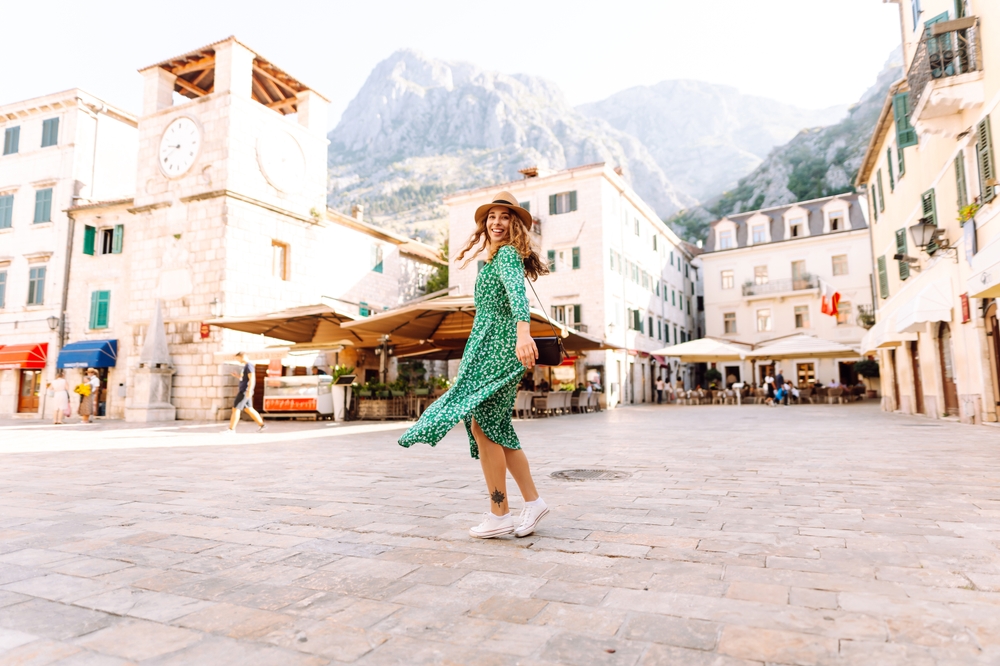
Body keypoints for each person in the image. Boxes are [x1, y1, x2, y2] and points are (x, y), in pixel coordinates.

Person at [398, 191, 550, 539]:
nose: (497, 222)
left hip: (497, 351)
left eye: (505, 216)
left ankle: (501, 513)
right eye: (492, 216)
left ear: (515, 224)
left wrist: (523, 335)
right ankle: (530, 504)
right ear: (485, 223)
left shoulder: (509, 255)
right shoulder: (495, 260)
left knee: (485, 427)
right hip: (486, 349)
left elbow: (517, 297)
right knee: (493, 429)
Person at [226, 352, 265, 433]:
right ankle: (262, 425)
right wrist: (237, 376)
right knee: (249, 409)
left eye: (238, 358)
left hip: (244, 391)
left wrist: (249, 390)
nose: (238, 360)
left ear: (242, 357)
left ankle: (231, 429)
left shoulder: (249, 365)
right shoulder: (245, 366)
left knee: (236, 408)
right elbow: (245, 378)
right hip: (245, 390)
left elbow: (252, 378)